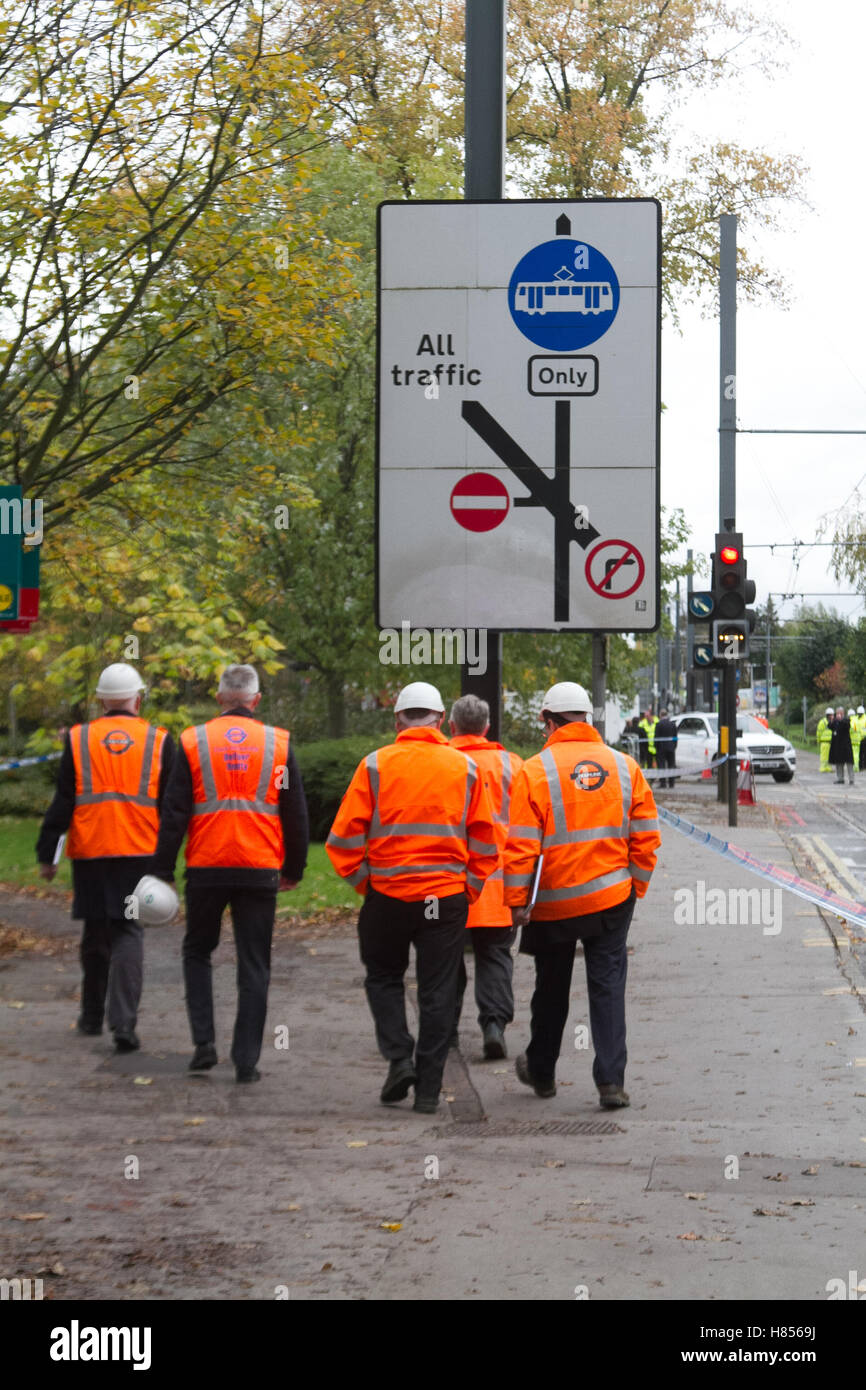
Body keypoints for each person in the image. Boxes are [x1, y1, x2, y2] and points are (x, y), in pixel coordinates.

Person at [326, 681, 498, 1114]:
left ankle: (400, 1058)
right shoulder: (466, 768)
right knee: (438, 990)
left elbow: (342, 842)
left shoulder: (375, 766)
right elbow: (487, 841)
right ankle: (428, 1089)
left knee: (383, 977)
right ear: (441, 720)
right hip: (444, 898)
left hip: (387, 895)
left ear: (396, 720)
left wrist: (369, 883)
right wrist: (471, 887)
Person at [504, 681, 660, 1109]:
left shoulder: (534, 771)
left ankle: (542, 1071)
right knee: (607, 986)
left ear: (548, 721)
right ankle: (610, 1082)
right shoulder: (625, 766)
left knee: (550, 988)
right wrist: (635, 887)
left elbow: (521, 844)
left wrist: (517, 903)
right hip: (611, 898)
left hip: (554, 902)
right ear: (588, 719)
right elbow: (646, 836)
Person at [152, 665, 308, 1083]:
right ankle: (246, 1060)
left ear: (219, 697)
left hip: (206, 865)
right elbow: (294, 811)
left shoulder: (192, 741)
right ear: (256, 700)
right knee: (254, 962)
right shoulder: (277, 743)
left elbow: (174, 811)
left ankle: (204, 1044)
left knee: (197, 951)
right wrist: (293, 868)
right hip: (259, 868)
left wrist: (162, 868)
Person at [36, 663, 175, 1051]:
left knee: (96, 931)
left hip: (91, 850)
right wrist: (169, 861)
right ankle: (124, 1025)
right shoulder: (159, 739)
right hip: (139, 851)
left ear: (100, 700)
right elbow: (171, 805)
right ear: (138, 697)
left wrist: (48, 853)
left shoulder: (79, 738)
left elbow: (64, 798)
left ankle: (91, 1016)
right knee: (129, 930)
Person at [448, 693, 523, 1059]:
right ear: (488, 726)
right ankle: (493, 1025)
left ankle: (444, 1031)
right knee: (495, 956)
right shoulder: (514, 766)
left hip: (450, 886)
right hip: (500, 887)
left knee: (445, 958)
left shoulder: (442, 762)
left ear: (452, 726)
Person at [828, 706, 854, 786]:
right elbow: (830, 727)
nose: (838, 715)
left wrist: (841, 720)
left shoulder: (846, 720)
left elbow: (846, 725)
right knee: (839, 764)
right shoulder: (835, 722)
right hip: (838, 747)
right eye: (837, 713)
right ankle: (840, 779)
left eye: (840, 713)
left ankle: (851, 779)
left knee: (849, 763)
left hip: (846, 747)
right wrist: (831, 720)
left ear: (843, 714)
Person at [654, 708, 678, 788]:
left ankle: (663, 783)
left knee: (661, 766)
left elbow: (656, 738)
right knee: (671, 765)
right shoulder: (672, 724)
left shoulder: (659, 724)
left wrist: (656, 747)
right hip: (671, 748)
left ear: (660, 715)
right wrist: (674, 746)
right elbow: (675, 737)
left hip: (661, 748)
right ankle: (672, 783)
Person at [817, 708, 833, 773]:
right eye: (831, 715)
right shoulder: (822, 722)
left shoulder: (832, 722)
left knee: (829, 756)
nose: (832, 716)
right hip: (824, 742)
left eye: (832, 715)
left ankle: (828, 767)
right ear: (827, 715)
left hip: (831, 742)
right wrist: (818, 740)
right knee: (824, 756)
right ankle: (823, 767)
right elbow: (819, 732)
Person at [858, 706, 866, 772]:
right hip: (859, 738)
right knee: (860, 753)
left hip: (864, 738)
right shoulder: (857, 719)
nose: (859, 714)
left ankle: (863, 766)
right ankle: (861, 766)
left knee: (864, 753)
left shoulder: (865, 718)